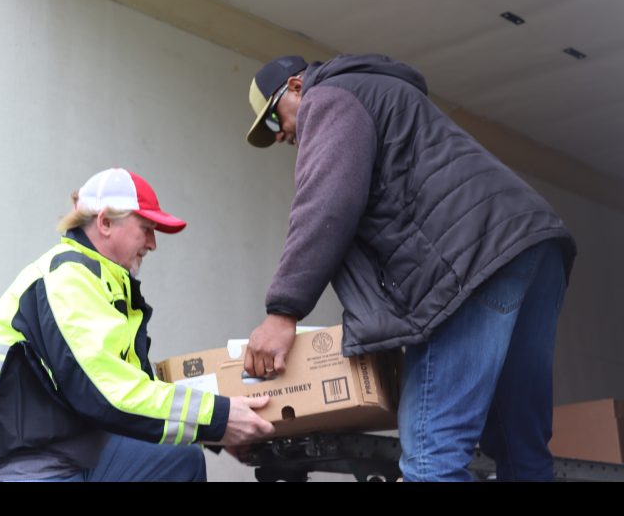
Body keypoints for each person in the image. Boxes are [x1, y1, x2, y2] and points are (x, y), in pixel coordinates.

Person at [242, 54, 577, 481]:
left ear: (294, 86)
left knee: (432, 451)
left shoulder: (328, 97)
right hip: (531, 244)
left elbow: (326, 203)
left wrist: (282, 311)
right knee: (519, 444)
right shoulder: (377, 93)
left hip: (475, 257)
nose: (281, 136)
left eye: (274, 122)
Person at [0, 167, 274, 482]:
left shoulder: (105, 284)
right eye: (146, 228)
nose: (153, 244)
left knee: (180, 459)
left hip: (62, 455)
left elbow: (136, 395)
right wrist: (218, 418)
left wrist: (217, 433)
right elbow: (109, 394)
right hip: (8, 465)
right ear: (105, 223)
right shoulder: (68, 279)